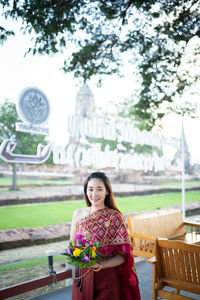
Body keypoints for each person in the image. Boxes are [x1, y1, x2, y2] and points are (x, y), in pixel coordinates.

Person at [70, 172, 141, 300]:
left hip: (106, 278)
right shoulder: (78, 214)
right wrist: (76, 258)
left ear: (107, 191)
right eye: (90, 189)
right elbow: (72, 247)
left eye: (99, 189)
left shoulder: (115, 217)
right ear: (86, 191)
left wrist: (100, 264)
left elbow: (123, 256)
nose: (94, 194)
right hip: (82, 277)